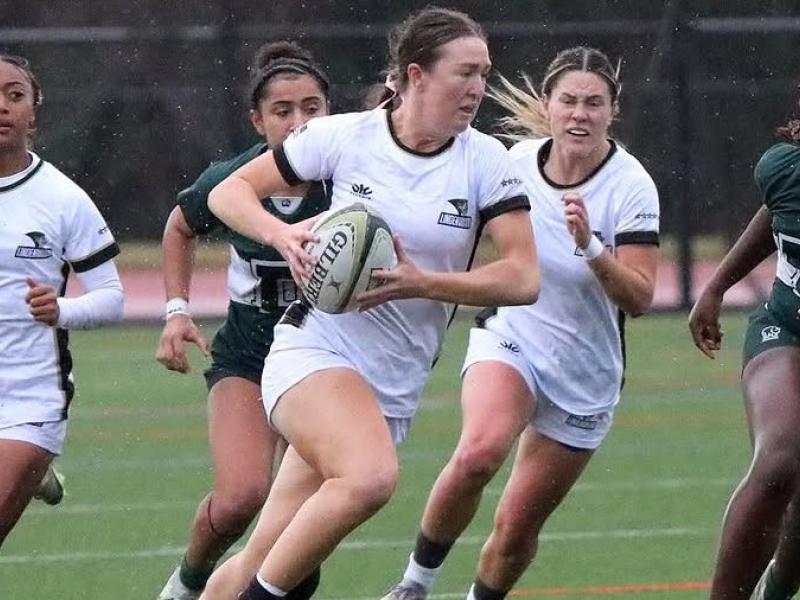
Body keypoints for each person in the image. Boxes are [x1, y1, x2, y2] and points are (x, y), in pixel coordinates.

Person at [199, 7, 540, 599]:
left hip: (392, 384)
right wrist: (280, 234)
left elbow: (521, 278)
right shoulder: (344, 136)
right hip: (314, 349)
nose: (477, 88)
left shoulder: (486, 161)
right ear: (416, 75)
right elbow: (229, 193)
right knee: (370, 477)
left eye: (483, 73)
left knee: (264, 549)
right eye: (464, 72)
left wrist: (424, 283)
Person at [382, 46, 660, 600]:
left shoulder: (631, 186)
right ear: (548, 106)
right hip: (512, 337)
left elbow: (641, 297)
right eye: (569, 101)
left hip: (585, 372)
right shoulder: (510, 164)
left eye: (594, 103)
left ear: (613, 111)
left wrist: (592, 248)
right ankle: (414, 585)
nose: (580, 114)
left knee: (515, 528)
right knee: (480, 451)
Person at [154, 41, 332, 600]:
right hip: (249, 358)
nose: (300, 122)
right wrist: (176, 311)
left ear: (332, 112)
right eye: (283, 111)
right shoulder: (234, 181)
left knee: (293, 532)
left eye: (312, 107)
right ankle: (188, 581)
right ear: (258, 120)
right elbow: (179, 226)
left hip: (324, 366)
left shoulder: (351, 178)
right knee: (240, 500)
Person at [0, 54, 124, 548]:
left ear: (34, 111)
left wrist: (61, 310)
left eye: (15, 95)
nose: (3, 106)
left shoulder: (62, 198)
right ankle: (32, 475)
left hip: (31, 394)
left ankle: (30, 461)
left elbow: (111, 298)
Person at [688, 97, 800, 600]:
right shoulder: (783, 166)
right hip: (786, 327)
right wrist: (717, 284)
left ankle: (775, 589)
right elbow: (777, 208)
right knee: (783, 458)